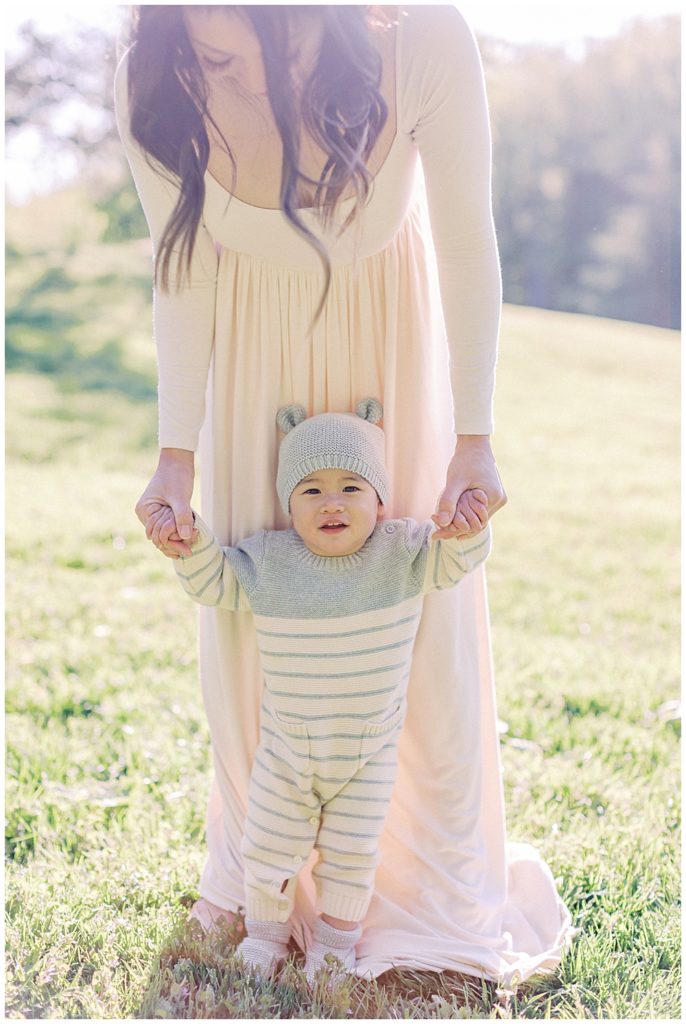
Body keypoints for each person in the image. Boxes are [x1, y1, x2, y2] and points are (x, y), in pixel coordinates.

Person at [115, 4, 571, 985]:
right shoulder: (154, 82)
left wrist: (474, 435)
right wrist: (174, 454)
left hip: (392, 349)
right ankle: (262, 878)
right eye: (208, 50)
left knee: (413, 602)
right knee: (254, 615)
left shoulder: (420, 40)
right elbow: (180, 274)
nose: (231, 71)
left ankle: (421, 890)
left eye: (256, 46)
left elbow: (463, 239)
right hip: (249, 368)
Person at [168, 401, 491, 982]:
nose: (332, 502)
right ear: (288, 504)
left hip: (366, 754)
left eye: (351, 486)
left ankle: (335, 945)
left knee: (351, 858)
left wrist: (469, 524)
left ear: (380, 500)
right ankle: (265, 935)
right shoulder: (270, 560)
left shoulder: (402, 552)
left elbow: (454, 561)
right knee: (268, 847)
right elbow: (216, 583)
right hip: (288, 747)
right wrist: (187, 544)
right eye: (310, 491)